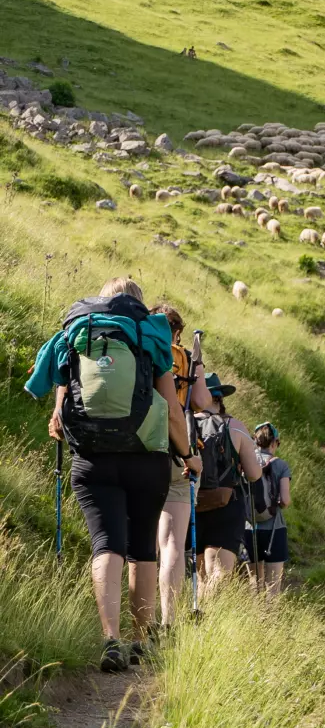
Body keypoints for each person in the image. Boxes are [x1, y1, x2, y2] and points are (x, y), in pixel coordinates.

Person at [28, 277, 201, 673]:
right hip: (146, 456)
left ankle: (110, 638)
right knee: (143, 546)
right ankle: (141, 640)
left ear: (100, 301)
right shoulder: (149, 334)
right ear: (138, 303)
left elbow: (59, 404)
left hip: (92, 458)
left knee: (107, 544)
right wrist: (189, 456)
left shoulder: (77, 331)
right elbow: (173, 410)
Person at [148, 302, 212, 627]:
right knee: (173, 542)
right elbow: (201, 403)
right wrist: (197, 363)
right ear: (178, 330)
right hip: (178, 453)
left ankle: (137, 624)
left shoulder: (138, 347)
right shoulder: (185, 356)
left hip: (138, 451)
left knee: (142, 540)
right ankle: (168, 621)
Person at [195, 374, 261, 589]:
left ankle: (196, 615)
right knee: (219, 570)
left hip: (190, 502)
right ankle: (209, 618)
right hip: (226, 503)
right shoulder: (236, 426)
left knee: (200, 570)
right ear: (220, 398)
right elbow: (253, 474)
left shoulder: (184, 424)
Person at [245, 423, 291, 600]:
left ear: (256, 442)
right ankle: (270, 622)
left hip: (249, 528)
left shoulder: (247, 461)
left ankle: (255, 623)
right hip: (274, 531)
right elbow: (285, 501)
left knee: (254, 583)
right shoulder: (281, 465)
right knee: (272, 587)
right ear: (274, 443)